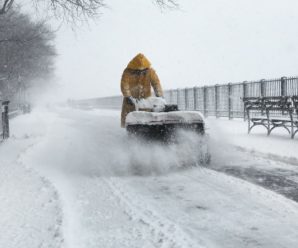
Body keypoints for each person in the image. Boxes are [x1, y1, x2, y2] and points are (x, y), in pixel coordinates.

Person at [120, 53, 163, 127]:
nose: (140, 72)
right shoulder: (127, 72)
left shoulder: (150, 72)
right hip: (130, 100)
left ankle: (146, 132)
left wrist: (159, 95)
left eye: (143, 71)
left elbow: (156, 83)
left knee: (146, 119)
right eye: (138, 71)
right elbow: (124, 84)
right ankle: (130, 133)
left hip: (145, 100)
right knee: (130, 119)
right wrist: (128, 96)